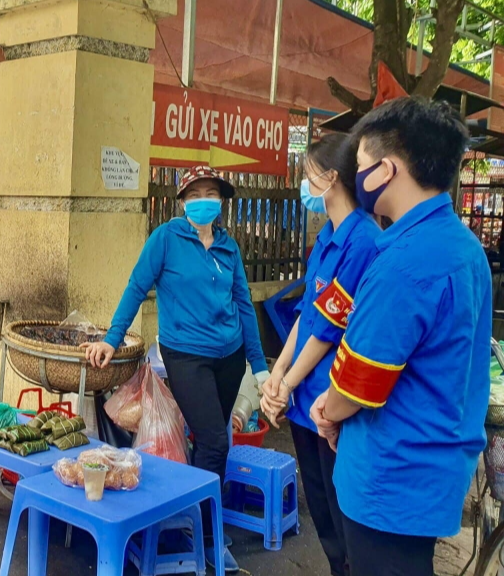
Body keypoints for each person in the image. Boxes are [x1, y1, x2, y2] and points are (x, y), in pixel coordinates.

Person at [307, 97, 490, 576]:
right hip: (430, 474)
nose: (357, 174)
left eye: (362, 164)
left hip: (389, 479)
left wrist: (326, 410)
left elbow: (356, 385)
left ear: (386, 169)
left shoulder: (405, 264)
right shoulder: (462, 246)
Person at [82, 165, 270, 573]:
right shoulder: (165, 239)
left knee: (211, 443)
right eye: (196, 193)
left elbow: (243, 304)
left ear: (220, 201)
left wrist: (259, 367)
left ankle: (200, 523)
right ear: (183, 201)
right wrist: (112, 340)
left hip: (230, 356)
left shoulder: (228, 247)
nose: (205, 199)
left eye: (212, 193)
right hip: (186, 355)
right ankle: (207, 537)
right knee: (216, 443)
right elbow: (136, 286)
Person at [258, 133, 381, 576]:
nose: (304, 184)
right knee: (323, 516)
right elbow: (306, 317)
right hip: (303, 400)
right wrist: (277, 377)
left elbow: (329, 331)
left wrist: (286, 384)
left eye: (308, 175)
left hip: (332, 401)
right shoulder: (327, 236)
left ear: (331, 178)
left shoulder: (363, 241)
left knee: (341, 510)